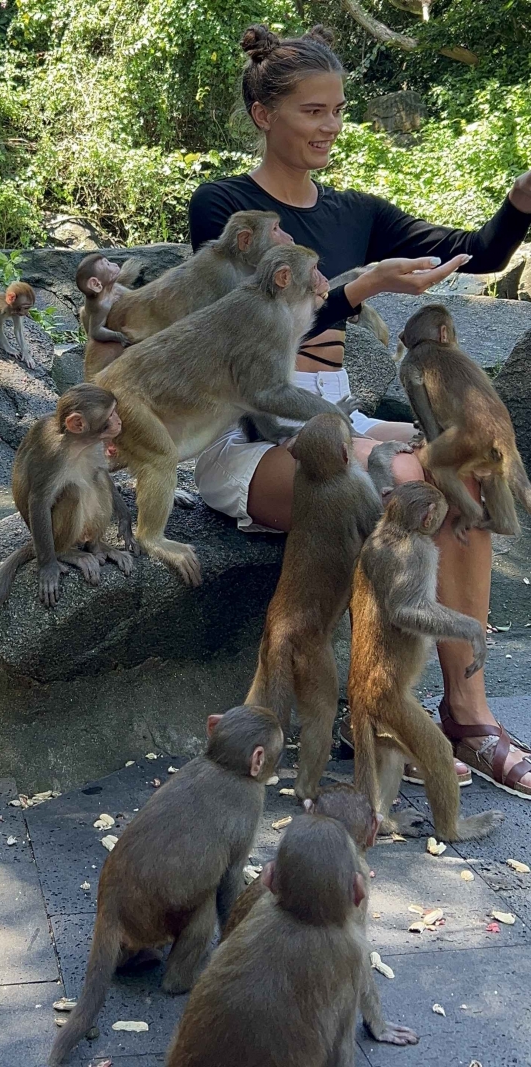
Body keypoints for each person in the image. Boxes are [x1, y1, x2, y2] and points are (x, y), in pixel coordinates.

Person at [188, 24, 531, 798]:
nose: (330, 126)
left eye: (338, 110)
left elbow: (471, 253)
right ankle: (412, 711)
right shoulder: (226, 208)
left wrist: (517, 203)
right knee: (420, 484)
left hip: (341, 419)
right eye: (312, 110)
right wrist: (359, 289)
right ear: (261, 113)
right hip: (257, 437)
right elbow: (243, 329)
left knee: (470, 468)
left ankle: (460, 716)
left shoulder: (354, 208)